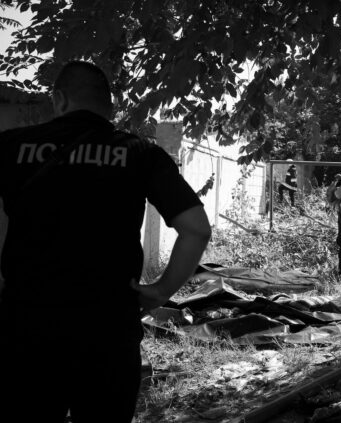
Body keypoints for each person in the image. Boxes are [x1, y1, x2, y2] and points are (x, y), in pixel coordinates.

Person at [0, 61, 211, 422]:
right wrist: (160, 291)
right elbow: (196, 228)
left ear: (60, 99)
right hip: (108, 332)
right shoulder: (140, 152)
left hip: (26, 329)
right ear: (109, 107)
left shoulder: (10, 147)